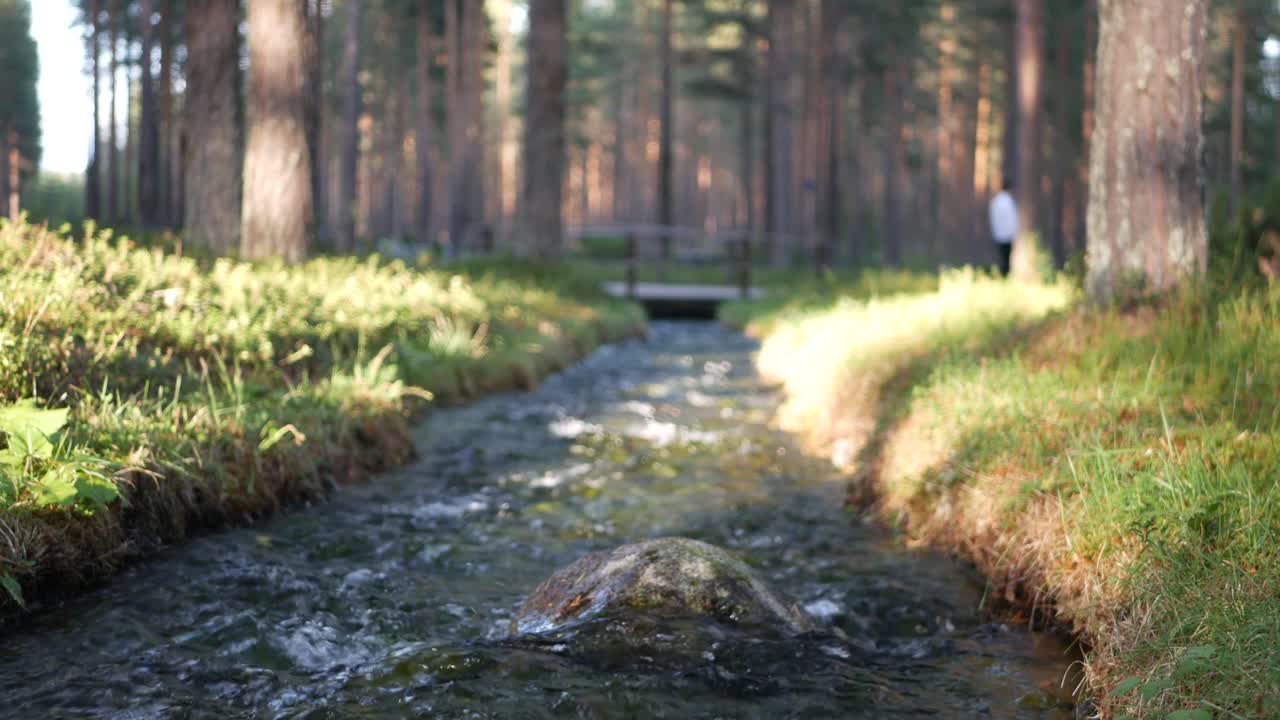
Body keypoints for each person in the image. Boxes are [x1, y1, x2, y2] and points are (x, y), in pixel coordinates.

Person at [988, 179, 1018, 277]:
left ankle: (1001, 275)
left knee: (1001, 257)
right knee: (1007, 258)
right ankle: (1005, 276)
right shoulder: (1009, 202)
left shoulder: (996, 201)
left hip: (998, 234)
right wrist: (1013, 232)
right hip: (1007, 235)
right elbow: (1012, 219)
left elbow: (993, 218)